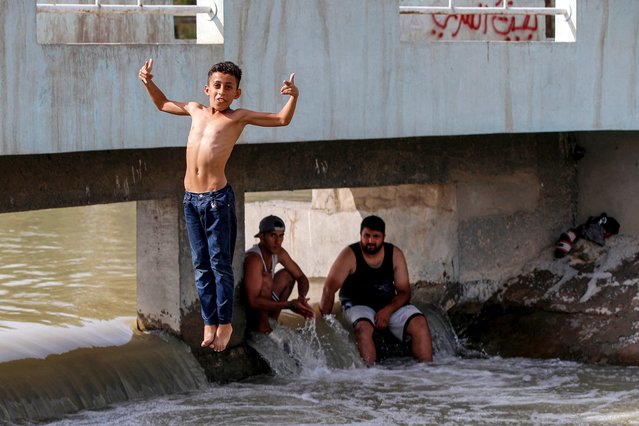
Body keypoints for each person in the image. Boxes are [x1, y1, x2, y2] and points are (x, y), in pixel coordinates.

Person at [139, 59, 299, 352]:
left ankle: (225, 323)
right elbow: (161, 104)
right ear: (207, 89)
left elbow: (281, 120)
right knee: (201, 266)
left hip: (216, 202)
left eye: (229, 87)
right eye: (217, 86)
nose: (221, 92)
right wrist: (148, 82)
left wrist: (294, 97)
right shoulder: (194, 110)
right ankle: (209, 322)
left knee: (219, 265)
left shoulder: (237, 117)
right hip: (191, 200)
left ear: (237, 93)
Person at [319, 215, 433, 365]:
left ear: (383, 237)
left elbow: (405, 292)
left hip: (387, 305)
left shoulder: (395, 254)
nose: (371, 241)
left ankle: (428, 371)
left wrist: (388, 310)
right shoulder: (350, 255)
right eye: (366, 236)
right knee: (363, 329)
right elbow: (329, 289)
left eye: (376, 237)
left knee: (420, 322)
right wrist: (324, 323)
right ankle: (371, 378)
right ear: (360, 235)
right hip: (357, 305)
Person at [243, 215, 315, 333]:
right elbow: (253, 301)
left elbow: (301, 277)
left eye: (281, 236)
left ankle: (272, 322)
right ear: (261, 237)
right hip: (249, 311)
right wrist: (289, 305)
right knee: (266, 279)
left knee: (287, 276)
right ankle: (262, 327)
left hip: (264, 304)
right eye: (273, 236)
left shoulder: (279, 252)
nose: (278, 241)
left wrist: (302, 298)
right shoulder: (254, 259)